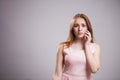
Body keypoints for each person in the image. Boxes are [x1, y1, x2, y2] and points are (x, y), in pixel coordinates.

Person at [52, 13, 100, 80]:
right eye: (76, 25)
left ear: (88, 28)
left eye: (83, 25)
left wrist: (86, 45)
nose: (80, 29)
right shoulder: (62, 47)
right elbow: (57, 74)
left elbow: (94, 69)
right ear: (72, 28)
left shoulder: (95, 47)